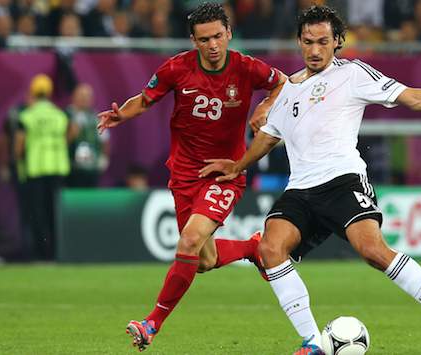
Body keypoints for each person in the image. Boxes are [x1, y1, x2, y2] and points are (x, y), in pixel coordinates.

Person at [200, 5, 421, 355]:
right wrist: (238, 165)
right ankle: (312, 343)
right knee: (270, 249)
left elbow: (412, 97)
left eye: (322, 42)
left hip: (342, 181)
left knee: (373, 252)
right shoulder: (287, 90)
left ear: (337, 42)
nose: (315, 50)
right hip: (300, 189)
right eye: (307, 42)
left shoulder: (353, 74)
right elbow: (269, 137)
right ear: (299, 43)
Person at [96, 3, 286, 352]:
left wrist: (264, 106)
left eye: (217, 36)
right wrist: (120, 114)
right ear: (193, 41)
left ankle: (151, 323)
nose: (213, 45)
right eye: (204, 39)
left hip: (225, 172)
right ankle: (252, 247)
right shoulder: (176, 68)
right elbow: (145, 99)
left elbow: (284, 85)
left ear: (228, 33)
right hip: (185, 174)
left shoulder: (247, 67)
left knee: (188, 241)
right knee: (204, 259)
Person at [16, 74, 71, 260]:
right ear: (49, 93)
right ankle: (58, 253)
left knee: (37, 214)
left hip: (36, 170)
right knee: (55, 213)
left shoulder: (27, 116)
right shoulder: (59, 115)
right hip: (57, 169)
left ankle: (41, 254)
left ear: (32, 92)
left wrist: (17, 163)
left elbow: (19, 145)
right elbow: (68, 136)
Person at [66, 83, 110, 187]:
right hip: (71, 168)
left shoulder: (96, 117)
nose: (84, 99)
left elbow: (104, 139)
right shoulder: (65, 115)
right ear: (74, 97)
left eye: (87, 97)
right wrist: (71, 134)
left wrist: (104, 158)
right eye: (81, 96)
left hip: (92, 168)